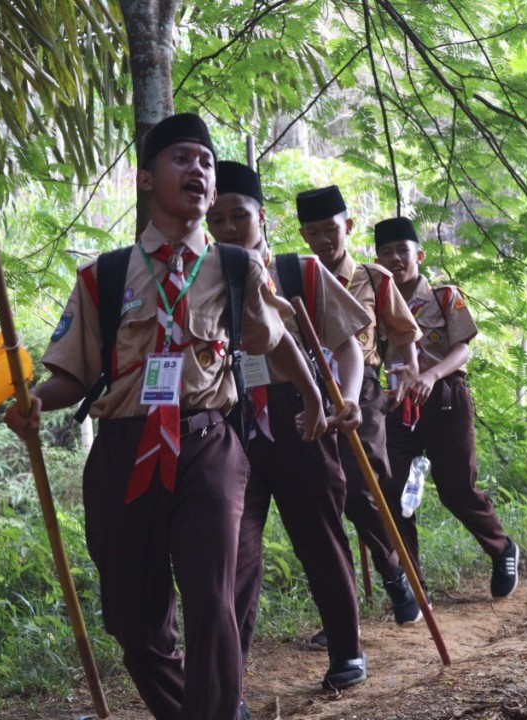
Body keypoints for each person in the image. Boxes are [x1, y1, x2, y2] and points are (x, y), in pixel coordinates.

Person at [4, 114, 326, 720]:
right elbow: (76, 374)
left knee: (212, 600)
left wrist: (312, 396)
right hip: (125, 452)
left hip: (207, 445)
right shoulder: (105, 275)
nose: (198, 170)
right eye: (182, 158)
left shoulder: (236, 267)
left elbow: (276, 339)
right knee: (133, 620)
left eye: (205, 162)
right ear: (147, 178)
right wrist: (35, 402)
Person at [205, 162, 372, 691]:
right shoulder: (202, 278)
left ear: (262, 216)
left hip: (303, 419)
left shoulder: (301, 272)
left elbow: (347, 345)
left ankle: (346, 650)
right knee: (234, 552)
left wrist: (346, 396)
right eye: (216, 219)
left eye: (239, 216)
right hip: (230, 424)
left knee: (320, 538)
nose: (229, 228)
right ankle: (228, 679)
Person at [295, 185, 425, 648]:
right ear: (303, 235)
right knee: (322, 499)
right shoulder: (297, 275)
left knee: (361, 485)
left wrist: (407, 370)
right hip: (312, 391)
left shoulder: (373, 278)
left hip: (363, 389)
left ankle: (394, 571)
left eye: (330, 229)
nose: (323, 239)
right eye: (313, 232)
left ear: (347, 226)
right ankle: (340, 614)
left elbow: (404, 332)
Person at [374, 216, 520, 598]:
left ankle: (502, 548)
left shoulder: (443, 296)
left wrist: (431, 375)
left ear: (419, 255)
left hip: (444, 398)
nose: (395, 258)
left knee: (455, 488)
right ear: (376, 260)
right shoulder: (375, 305)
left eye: (402, 250)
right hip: (397, 403)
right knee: (392, 491)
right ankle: (414, 587)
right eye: (386, 252)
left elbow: (463, 349)